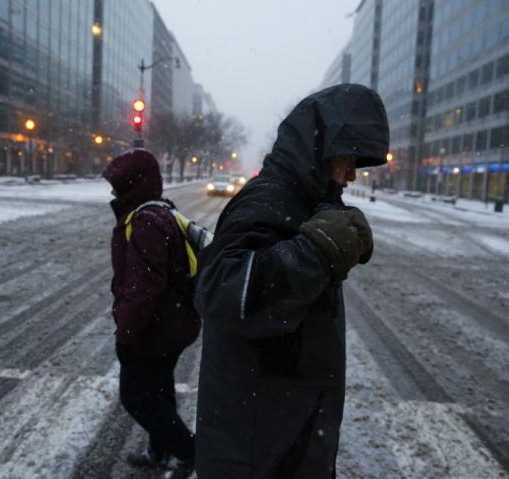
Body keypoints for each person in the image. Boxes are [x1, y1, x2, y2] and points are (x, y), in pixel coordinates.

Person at [193, 84, 390, 478]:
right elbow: (220, 291)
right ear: (321, 151)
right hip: (260, 449)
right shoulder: (270, 199)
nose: (352, 173)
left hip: (285, 435)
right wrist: (316, 251)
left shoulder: (297, 200)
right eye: (349, 158)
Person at [103, 148, 201, 479]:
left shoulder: (145, 221)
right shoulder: (159, 213)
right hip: (172, 324)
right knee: (159, 390)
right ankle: (161, 452)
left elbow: (142, 288)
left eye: (118, 185)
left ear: (133, 185)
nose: (113, 192)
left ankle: (188, 451)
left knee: (135, 396)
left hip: (157, 329)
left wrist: (127, 335)